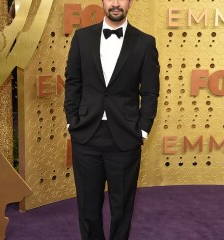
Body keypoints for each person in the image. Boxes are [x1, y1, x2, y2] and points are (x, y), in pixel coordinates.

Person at [64, 0, 160, 239]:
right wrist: (71, 121)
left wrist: (143, 130)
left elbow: (149, 92)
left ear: (130, 2)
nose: (115, 3)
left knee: (122, 209)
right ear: (102, 1)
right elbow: (73, 82)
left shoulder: (145, 43)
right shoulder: (81, 38)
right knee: (87, 209)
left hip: (125, 137)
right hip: (86, 135)